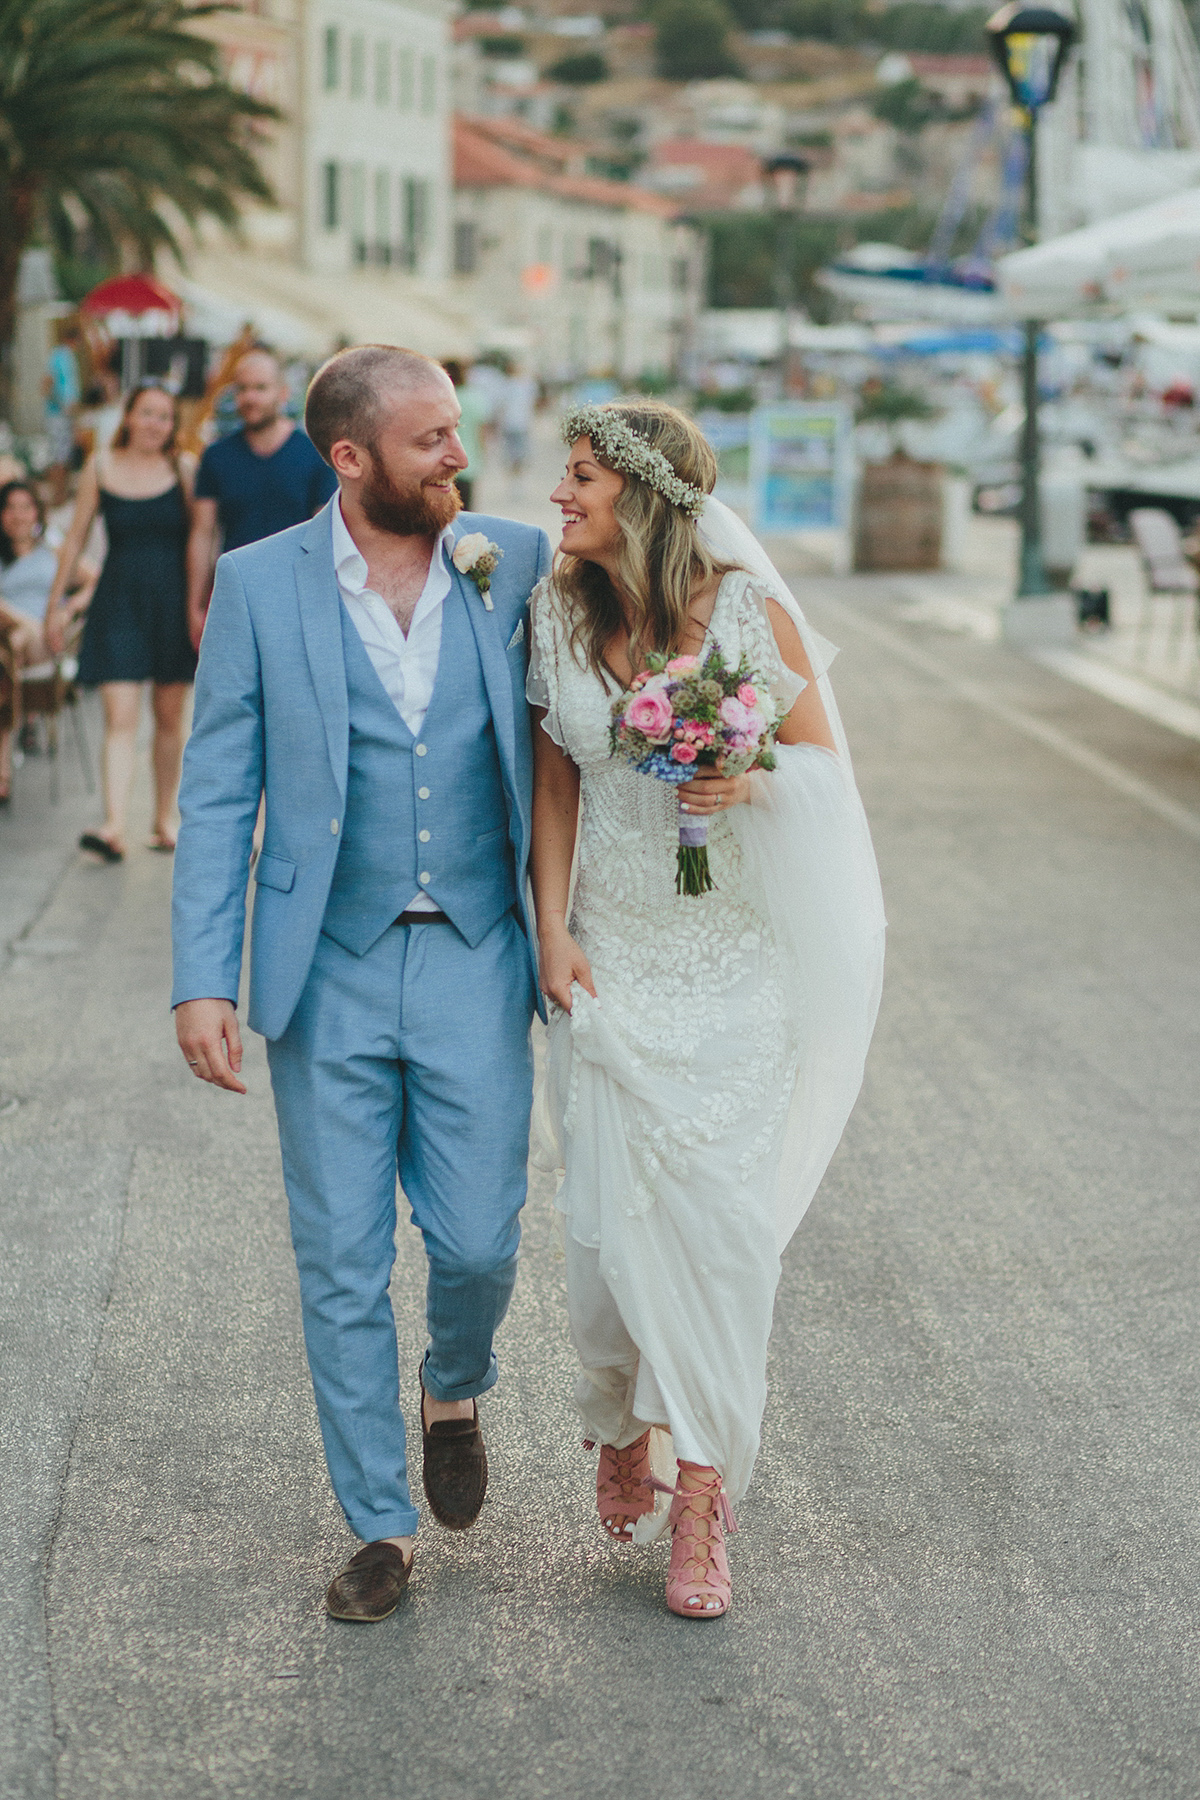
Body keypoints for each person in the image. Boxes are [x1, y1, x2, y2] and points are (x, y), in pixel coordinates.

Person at [171, 345, 553, 1623]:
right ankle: (379, 1523)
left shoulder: (515, 562)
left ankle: (454, 1382)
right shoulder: (256, 585)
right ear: (351, 460)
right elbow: (220, 790)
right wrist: (200, 980)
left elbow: (628, 667)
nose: (459, 455)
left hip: (479, 951)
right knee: (338, 1260)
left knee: (480, 1243)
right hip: (322, 966)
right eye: (431, 439)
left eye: (455, 432)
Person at [528, 399, 885, 1619]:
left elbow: (821, 775)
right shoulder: (558, 612)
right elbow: (558, 786)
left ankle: (699, 1499)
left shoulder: (744, 610)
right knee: (606, 1226)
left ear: (644, 495)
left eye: (580, 478)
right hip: (614, 951)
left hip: (733, 963)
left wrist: (747, 769)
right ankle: (620, 1417)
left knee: (722, 1241)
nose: (560, 496)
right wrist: (554, 924)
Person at [45, 384, 196, 861]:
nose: (155, 424)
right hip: (119, 604)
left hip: (173, 603)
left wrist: (203, 603)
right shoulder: (100, 467)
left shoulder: (183, 469)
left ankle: (162, 819)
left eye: (165, 417)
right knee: (120, 718)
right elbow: (74, 541)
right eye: (147, 413)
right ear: (127, 417)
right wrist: (54, 606)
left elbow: (203, 539)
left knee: (170, 719)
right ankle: (113, 824)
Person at [186, 343, 337, 647]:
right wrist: (194, 606)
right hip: (235, 597)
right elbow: (203, 533)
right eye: (242, 389)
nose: (250, 398)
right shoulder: (216, 456)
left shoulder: (313, 455)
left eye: (260, 388)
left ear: (283, 393)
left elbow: (327, 534)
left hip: (297, 598)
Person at [0, 481, 96, 801]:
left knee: (14, 638)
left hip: (43, 642)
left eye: (25, 507)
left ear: (37, 513)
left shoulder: (52, 552)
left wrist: (69, 610)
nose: (18, 515)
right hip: (10, 644)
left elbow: (95, 579)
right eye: (9, 508)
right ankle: (3, 770)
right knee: (9, 647)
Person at [441, 359, 490, 511]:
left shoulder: (441, 399)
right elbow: (481, 433)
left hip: (442, 463)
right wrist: (482, 456)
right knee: (466, 514)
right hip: (468, 463)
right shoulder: (474, 398)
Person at [43, 319, 83, 506]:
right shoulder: (59, 356)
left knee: (64, 456)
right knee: (58, 457)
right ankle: (56, 496)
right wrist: (62, 405)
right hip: (58, 416)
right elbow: (46, 385)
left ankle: (62, 495)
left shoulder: (66, 357)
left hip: (64, 416)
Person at [499, 363, 537, 477]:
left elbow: (501, 404)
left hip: (510, 421)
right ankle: (517, 468)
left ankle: (513, 468)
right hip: (521, 421)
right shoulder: (527, 385)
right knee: (519, 447)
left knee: (511, 447)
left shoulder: (506, 385)